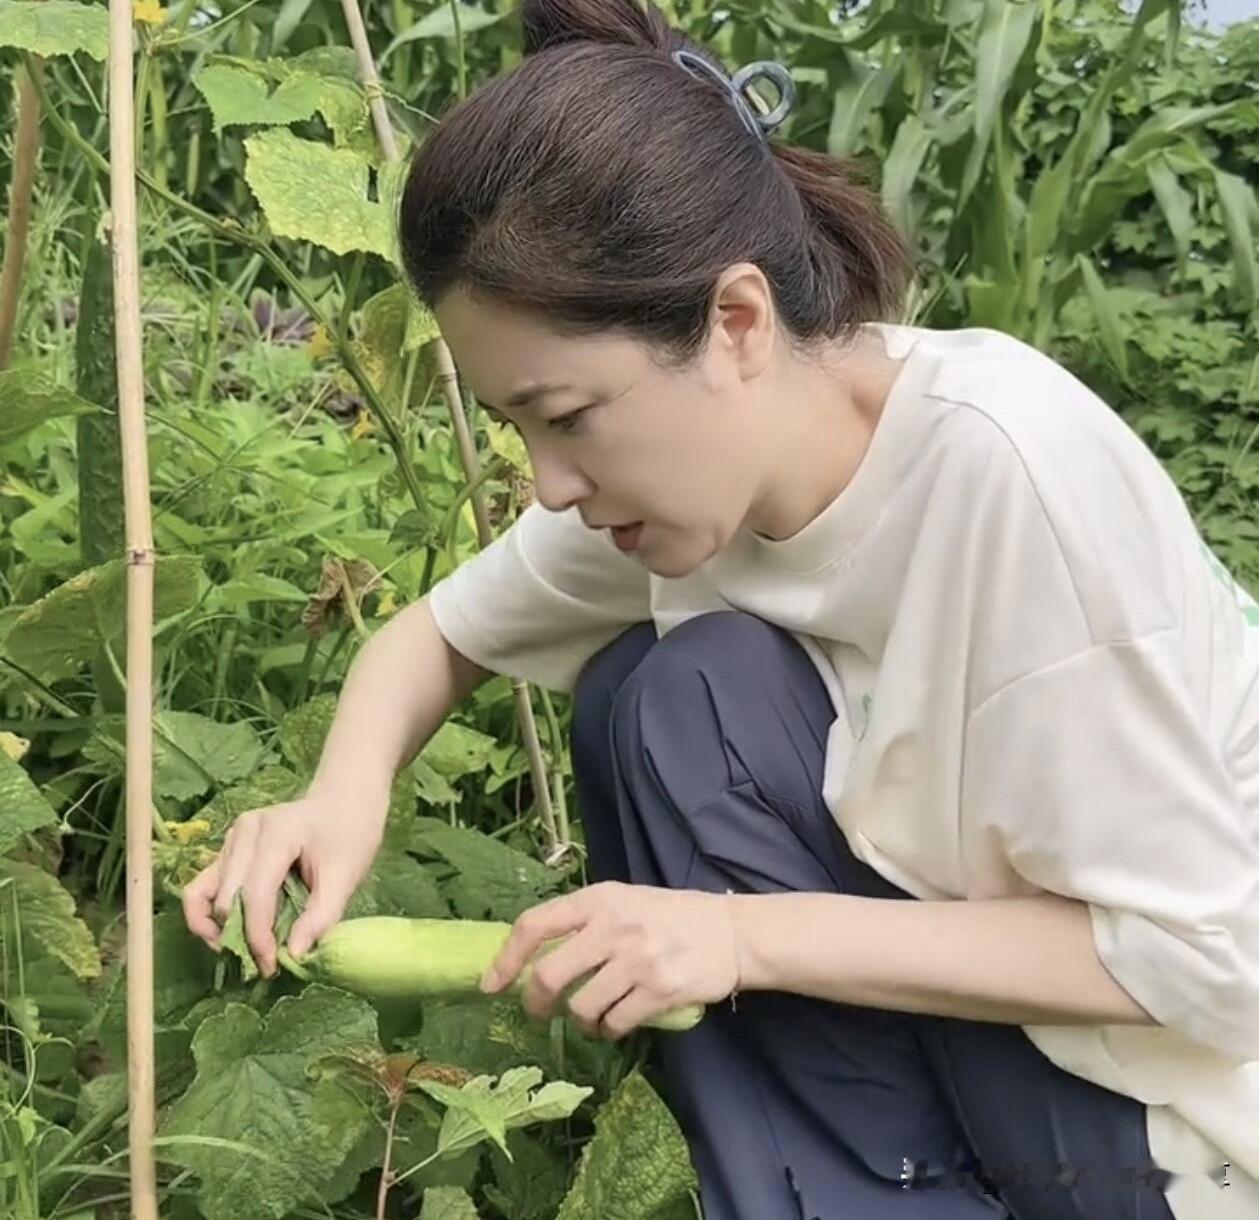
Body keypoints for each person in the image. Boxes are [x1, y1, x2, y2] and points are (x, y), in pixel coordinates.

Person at [182, 0, 1259, 1216]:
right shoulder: (703, 480)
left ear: (734, 322)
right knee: (665, 688)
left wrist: (735, 939)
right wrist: (335, 795)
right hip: (979, 1038)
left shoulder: (1013, 476)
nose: (549, 482)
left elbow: (1205, 962)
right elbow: (431, 636)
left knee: (685, 690)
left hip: (1167, 1123)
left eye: (569, 415)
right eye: (517, 428)